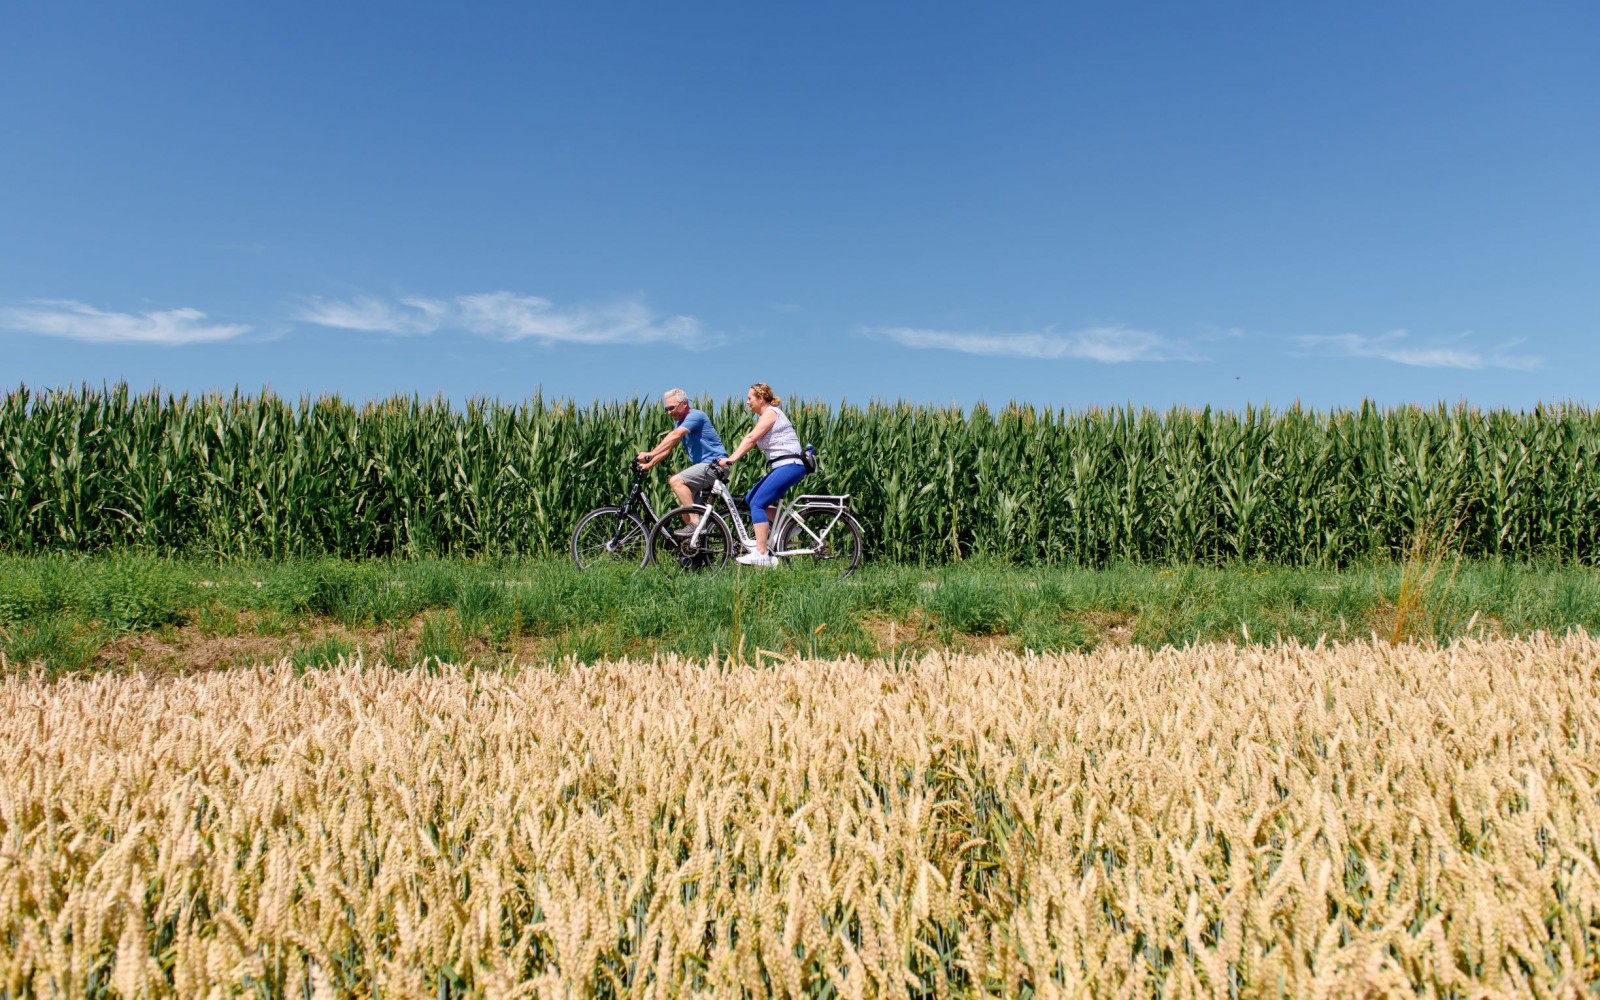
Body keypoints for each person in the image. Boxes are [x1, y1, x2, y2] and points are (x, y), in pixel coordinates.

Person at [718, 382, 807, 567]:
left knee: (758, 503)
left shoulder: (771, 413)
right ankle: (789, 526)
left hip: (789, 464)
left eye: (750, 398)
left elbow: (751, 438)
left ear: (761, 398)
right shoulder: (766, 415)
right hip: (784, 465)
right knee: (751, 499)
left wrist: (731, 459)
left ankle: (762, 553)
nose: (747, 402)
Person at [636, 388, 727, 536]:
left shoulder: (696, 416)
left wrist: (650, 454)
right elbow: (667, 450)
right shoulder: (680, 423)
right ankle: (698, 546)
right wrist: (649, 465)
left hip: (715, 464)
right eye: (666, 409)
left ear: (684, 403)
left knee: (676, 481)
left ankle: (695, 524)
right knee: (686, 511)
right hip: (704, 468)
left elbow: (675, 436)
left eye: (671, 408)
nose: (669, 412)